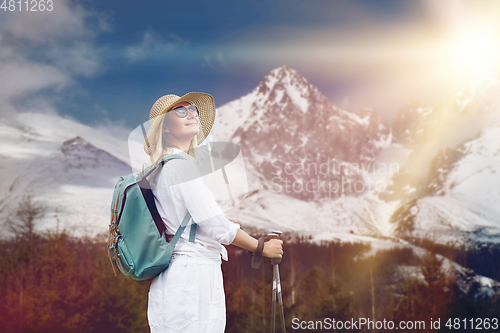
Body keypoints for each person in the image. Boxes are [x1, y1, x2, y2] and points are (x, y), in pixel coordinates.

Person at [143, 93, 283, 333]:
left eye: (193, 109)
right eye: (180, 111)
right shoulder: (181, 167)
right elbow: (218, 227)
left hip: (172, 279)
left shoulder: (160, 168)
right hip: (193, 277)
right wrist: (261, 247)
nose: (191, 114)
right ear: (165, 128)